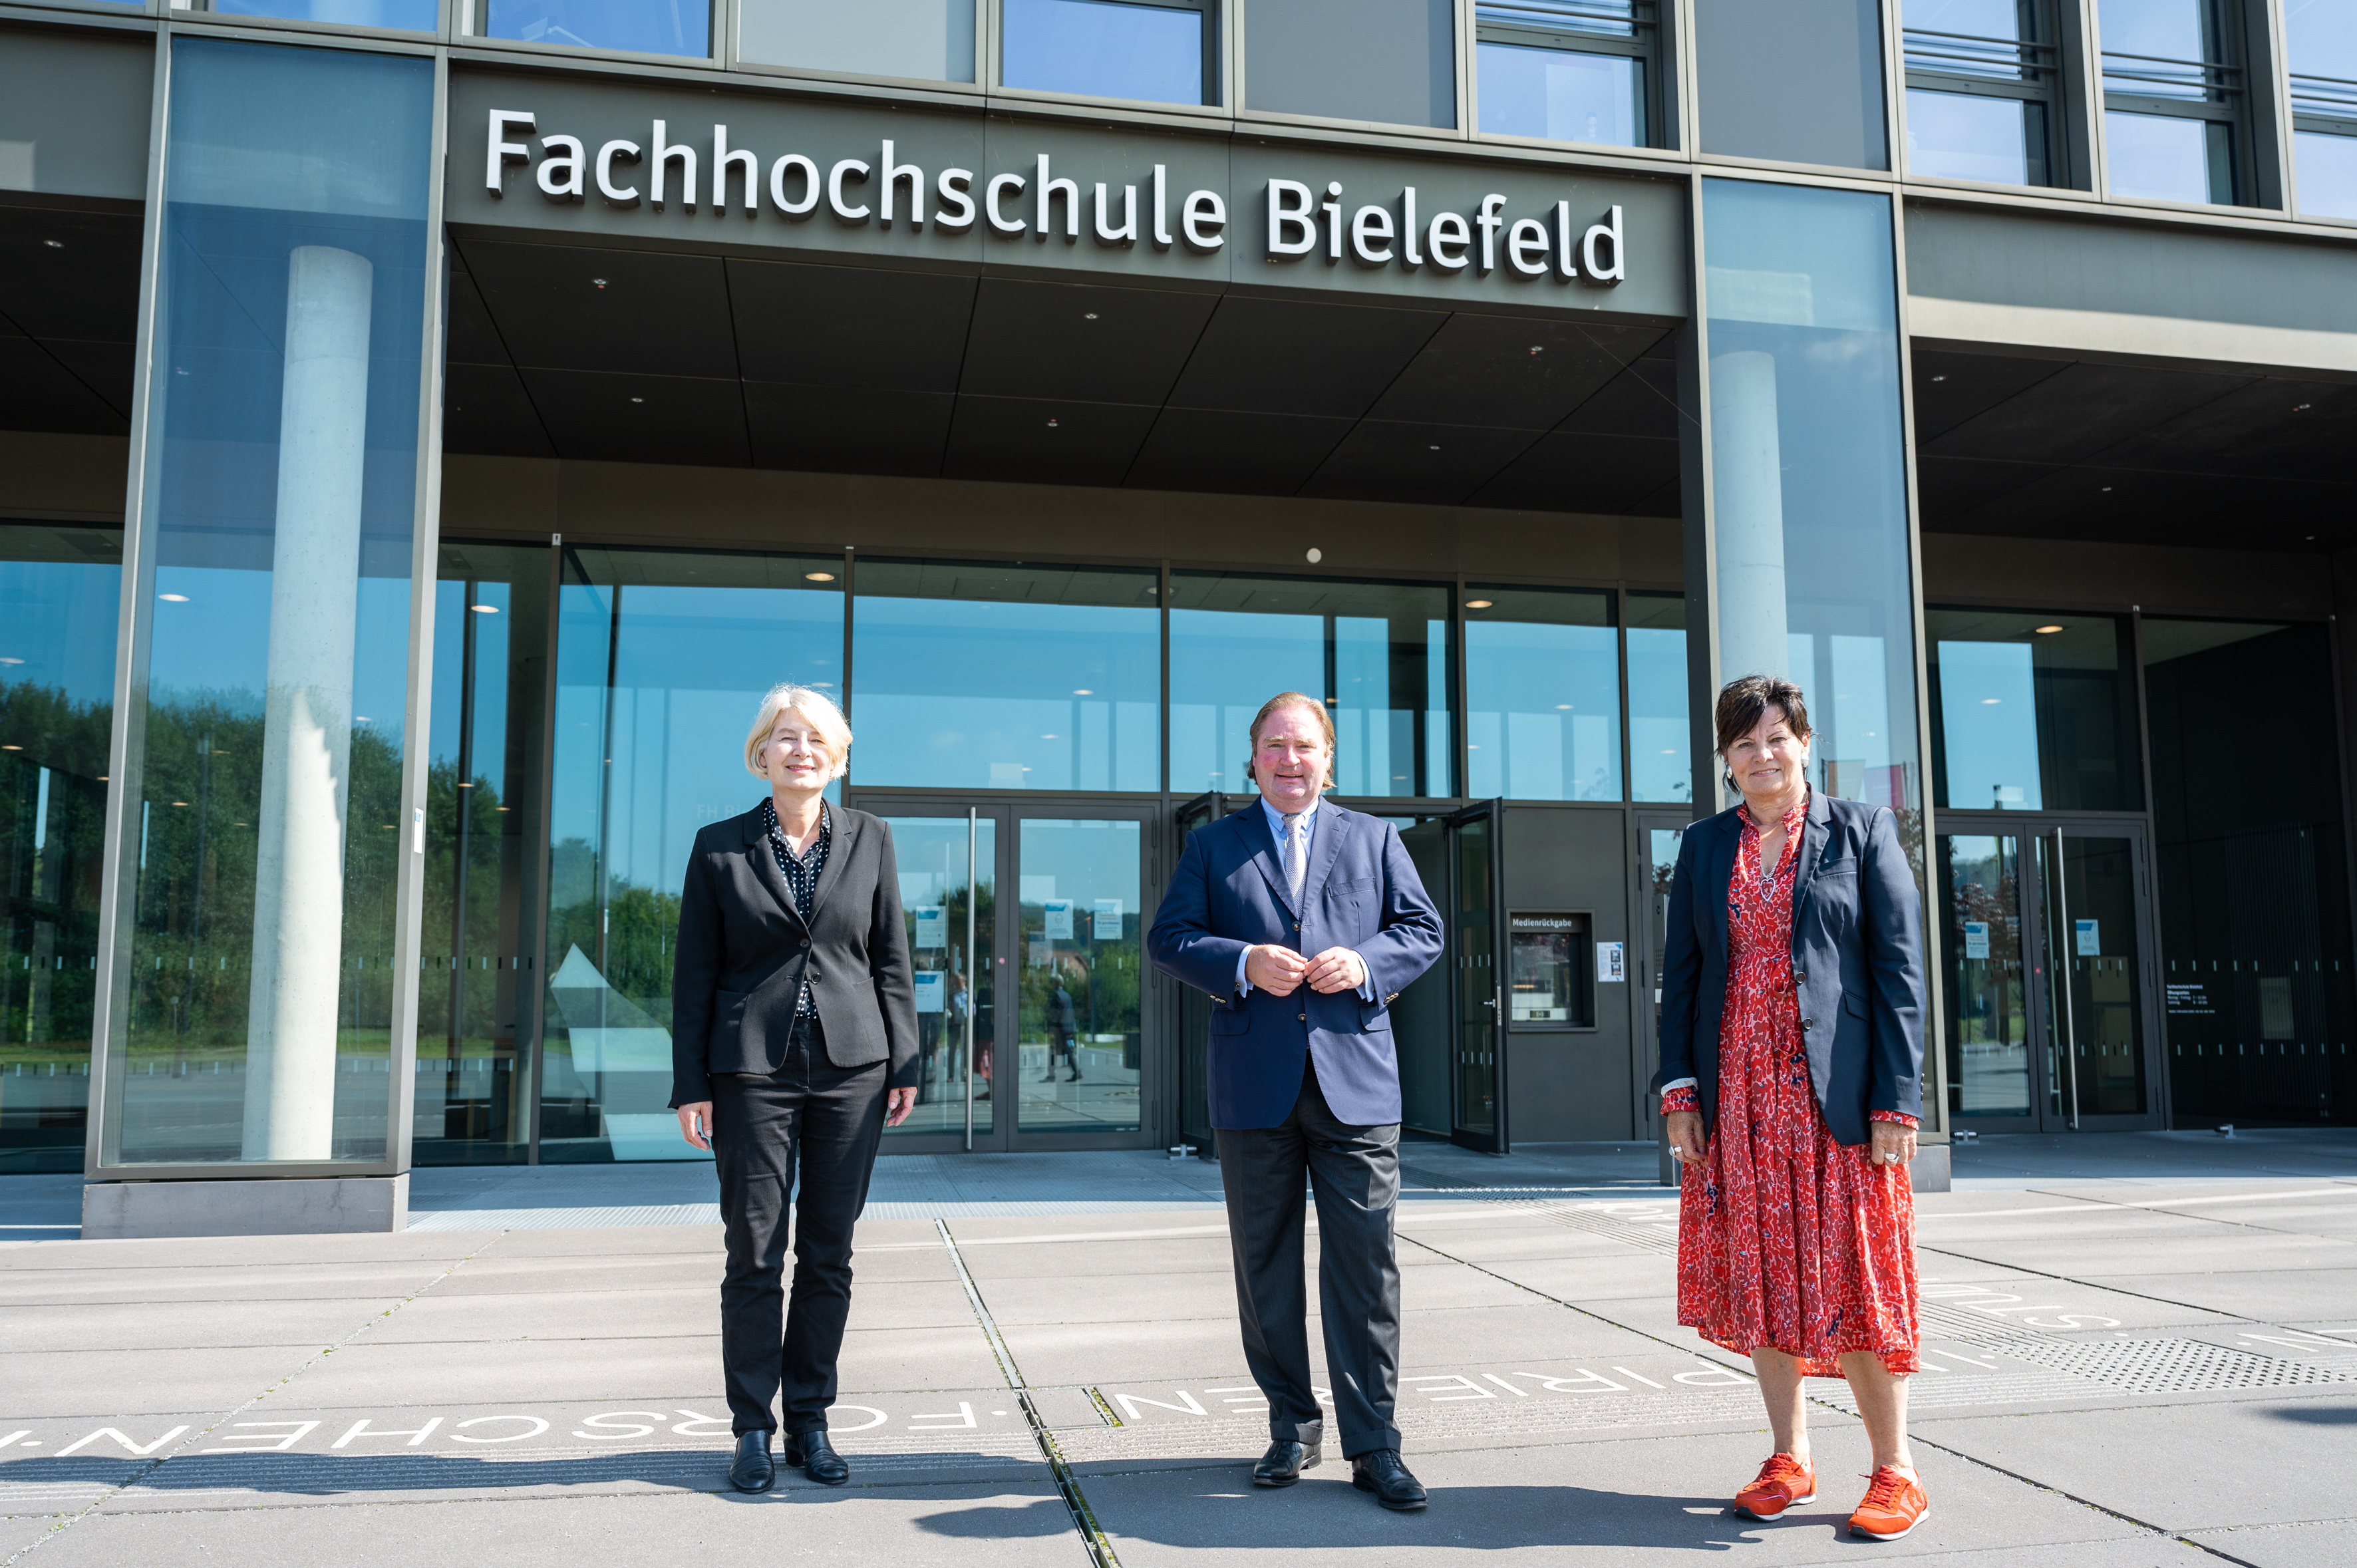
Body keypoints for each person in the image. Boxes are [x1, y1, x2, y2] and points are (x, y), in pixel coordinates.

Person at [1146, 691, 1445, 1512]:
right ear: (1254, 759)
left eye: (1304, 745)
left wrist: (1364, 962)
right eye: (1274, 745)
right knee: (1264, 1266)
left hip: (1357, 1083)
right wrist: (1242, 961)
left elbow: (1422, 929)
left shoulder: (1375, 838)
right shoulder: (1214, 843)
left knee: (1366, 1268)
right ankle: (1291, 1423)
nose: (1290, 759)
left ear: (1329, 757)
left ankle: (1375, 1445)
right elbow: (1168, 938)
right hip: (1255, 1087)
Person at [1655, 675, 1931, 1541]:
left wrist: (1897, 1099)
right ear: (1724, 759)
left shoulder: (1860, 830)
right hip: (1735, 1097)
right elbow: (1681, 981)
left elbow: (1899, 973)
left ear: (1803, 742)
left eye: (1775, 737)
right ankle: (1789, 1455)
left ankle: (1894, 1468)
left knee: (1854, 1276)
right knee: (1765, 1273)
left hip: (1837, 1102)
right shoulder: (1702, 847)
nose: (1761, 755)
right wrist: (1679, 1093)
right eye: (1743, 743)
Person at [670, 683, 918, 1495]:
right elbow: (695, 976)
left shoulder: (871, 837)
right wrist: (690, 1084)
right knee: (753, 1250)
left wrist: (904, 1062)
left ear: (837, 756)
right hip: (750, 1072)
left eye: (816, 737)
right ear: (761, 753)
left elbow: (890, 959)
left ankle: (811, 1417)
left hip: (853, 1067)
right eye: (785, 736)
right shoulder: (719, 848)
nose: (800, 748)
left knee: (829, 1250)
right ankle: (751, 1426)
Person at [1042, 976, 1082, 1083]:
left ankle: (1052, 1075)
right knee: (1069, 1050)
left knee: (1053, 1051)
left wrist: (1051, 1028)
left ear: (1056, 983)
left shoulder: (1056, 995)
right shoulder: (1067, 995)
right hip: (1070, 1028)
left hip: (1060, 1029)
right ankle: (1077, 1071)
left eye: (1052, 983)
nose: (1051, 985)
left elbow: (1056, 1013)